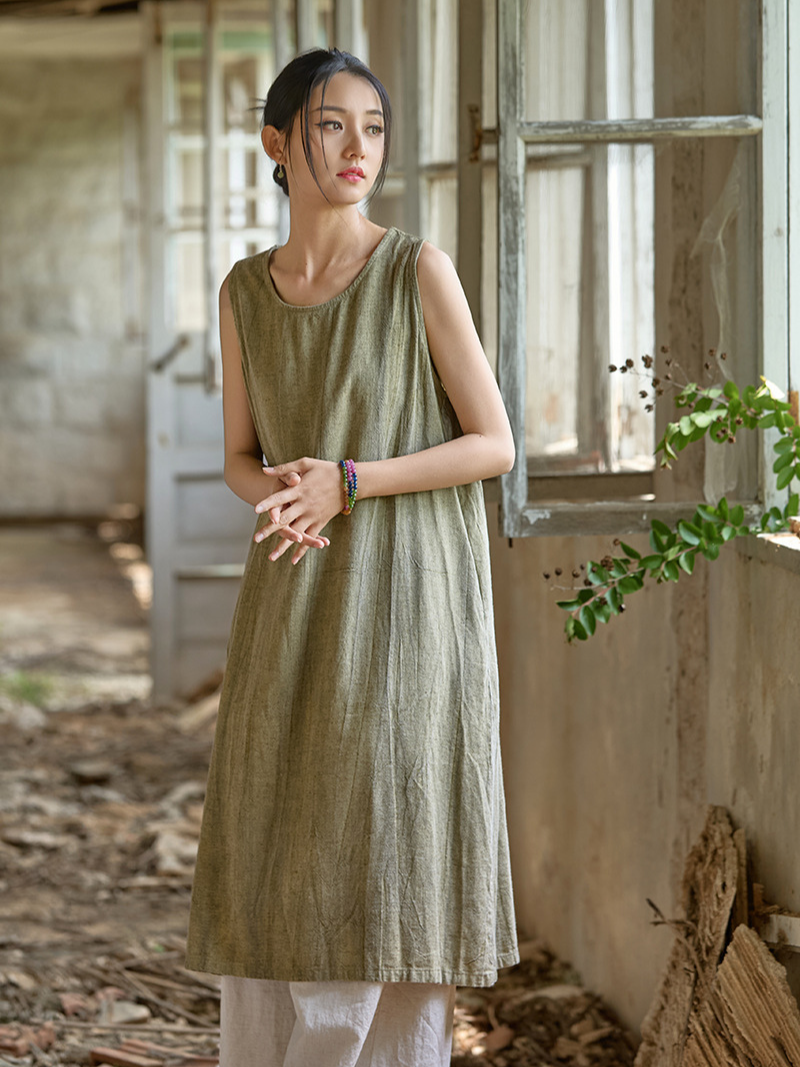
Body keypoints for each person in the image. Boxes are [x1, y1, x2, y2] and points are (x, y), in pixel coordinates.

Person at [185, 47, 519, 1067]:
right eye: (331, 126)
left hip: (410, 597)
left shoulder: (416, 267)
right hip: (293, 589)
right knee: (279, 826)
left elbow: (493, 442)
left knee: (384, 833)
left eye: (372, 127)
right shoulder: (247, 289)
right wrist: (288, 493)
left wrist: (350, 478)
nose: (356, 148)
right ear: (277, 143)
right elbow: (239, 457)